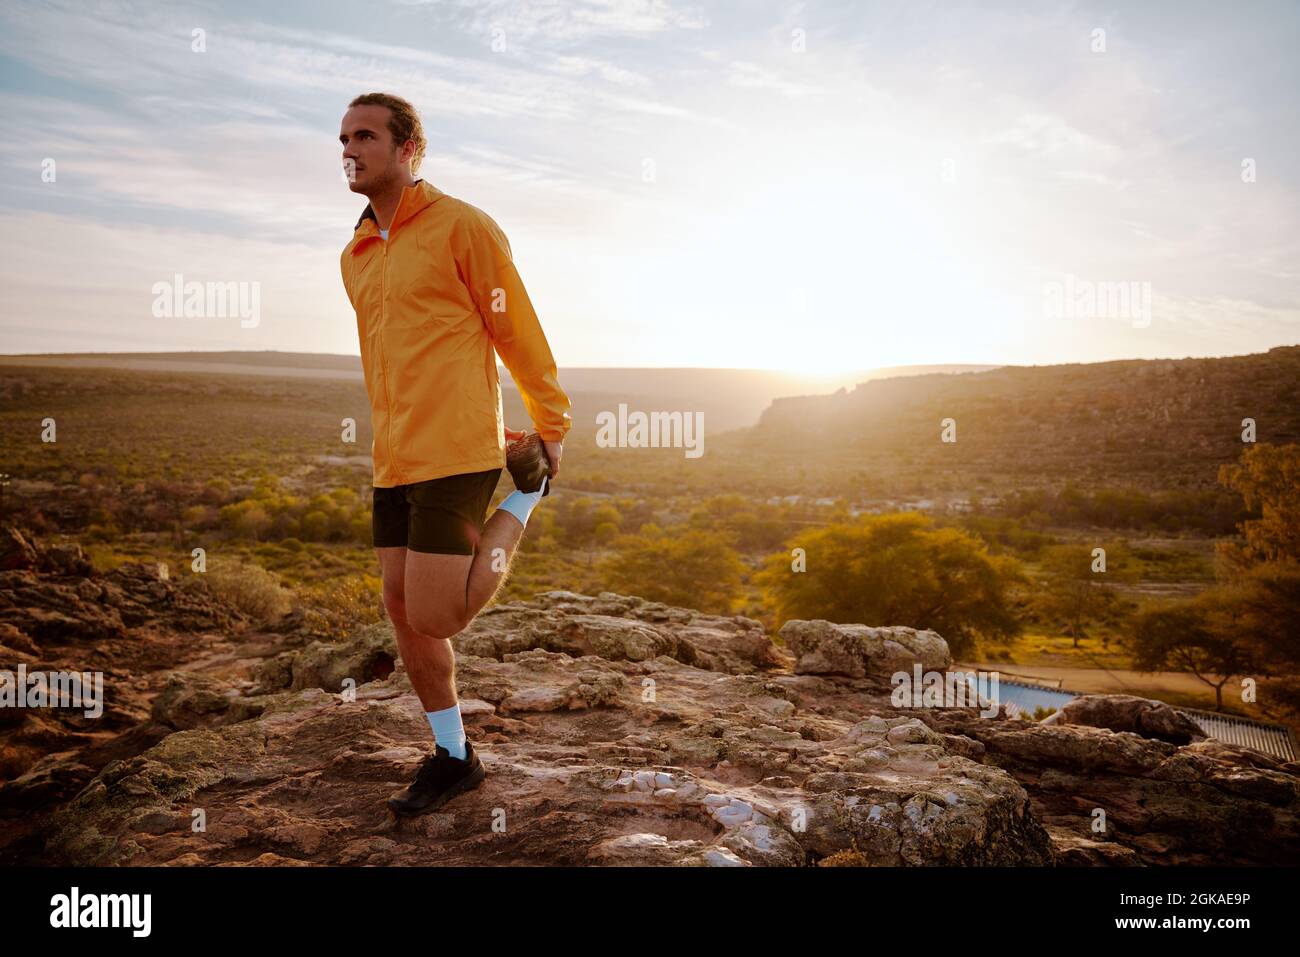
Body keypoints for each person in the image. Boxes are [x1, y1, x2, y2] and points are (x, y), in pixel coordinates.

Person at [338, 92, 572, 816]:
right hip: (394, 459)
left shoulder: (461, 226)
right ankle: (453, 754)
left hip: (457, 449)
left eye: (366, 135)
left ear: (410, 148)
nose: (350, 147)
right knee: (404, 612)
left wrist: (549, 420)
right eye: (343, 137)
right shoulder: (356, 252)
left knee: (440, 614)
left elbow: (515, 327)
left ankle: (526, 496)